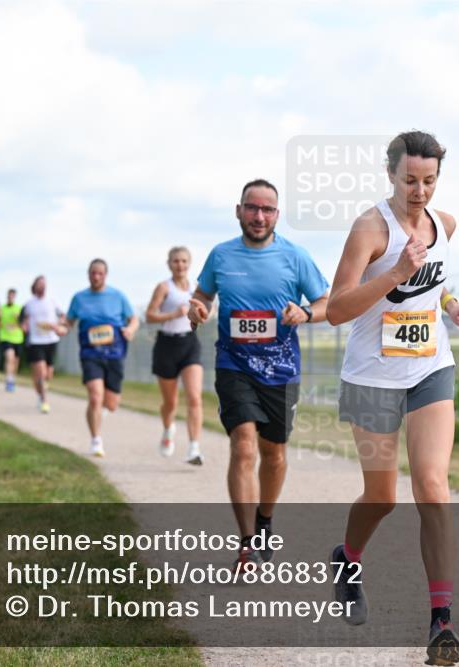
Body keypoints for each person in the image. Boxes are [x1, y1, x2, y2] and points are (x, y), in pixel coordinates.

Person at [325, 131, 459, 665]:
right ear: (390, 173)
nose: (419, 191)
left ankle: (441, 622)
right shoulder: (370, 227)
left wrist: (452, 306)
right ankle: (347, 557)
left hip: (431, 370)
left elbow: (435, 286)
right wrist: (394, 273)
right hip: (371, 377)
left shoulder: (446, 225)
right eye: (410, 180)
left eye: (429, 181)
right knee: (383, 497)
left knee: (434, 488)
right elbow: (339, 307)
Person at [188, 178, 330, 571]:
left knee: (274, 455)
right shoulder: (220, 255)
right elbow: (202, 295)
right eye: (252, 208)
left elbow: (325, 300)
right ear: (239, 210)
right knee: (244, 446)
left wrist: (304, 313)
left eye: (267, 210)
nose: (259, 216)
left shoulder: (295, 256)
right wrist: (196, 308)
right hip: (234, 365)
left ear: (277, 215)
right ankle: (247, 543)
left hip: (281, 368)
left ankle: (265, 519)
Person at [66, 258, 139, 457]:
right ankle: (96, 440)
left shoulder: (117, 296)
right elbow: (68, 322)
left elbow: (133, 318)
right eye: (93, 273)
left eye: (100, 273)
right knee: (95, 395)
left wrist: (130, 329)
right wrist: (60, 328)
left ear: (105, 275)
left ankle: (101, 411)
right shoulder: (79, 298)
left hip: (115, 352)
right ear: (88, 274)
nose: (96, 276)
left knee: (112, 403)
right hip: (90, 353)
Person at [146, 246, 205, 465]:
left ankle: (194, 448)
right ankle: (168, 429)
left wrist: (202, 314)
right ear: (169, 263)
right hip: (166, 345)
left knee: (194, 397)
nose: (180, 265)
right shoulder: (164, 287)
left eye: (183, 261)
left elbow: (207, 310)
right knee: (170, 402)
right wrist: (173, 314)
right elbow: (149, 316)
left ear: (189, 264)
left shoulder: (196, 289)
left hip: (190, 343)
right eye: (175, 261)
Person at [21, 275, 67, 414]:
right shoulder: (29, 304)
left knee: (48, 374)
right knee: (41, 371)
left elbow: (63, 316)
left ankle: (40, 391)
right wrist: (24, 326)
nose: (42, 286)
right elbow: (23, 320)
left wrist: (57, 325)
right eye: (39, 284)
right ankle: (44, 400)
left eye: (44, 284)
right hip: (36, 341)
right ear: (34, 287)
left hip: (51, 340)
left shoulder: (52, 301)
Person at [0, 288, 24, 392]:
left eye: (12, 296)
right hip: (5, 337)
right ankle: (9, 380)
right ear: (7, 296)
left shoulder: (19, 308)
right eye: (9, 296)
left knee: (15, 361)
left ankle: (12, 378)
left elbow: (23, 323)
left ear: (15, 297)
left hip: (17, 338)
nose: (10, 297)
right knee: (9, 358)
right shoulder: (2, 308)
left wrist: (19, 318)